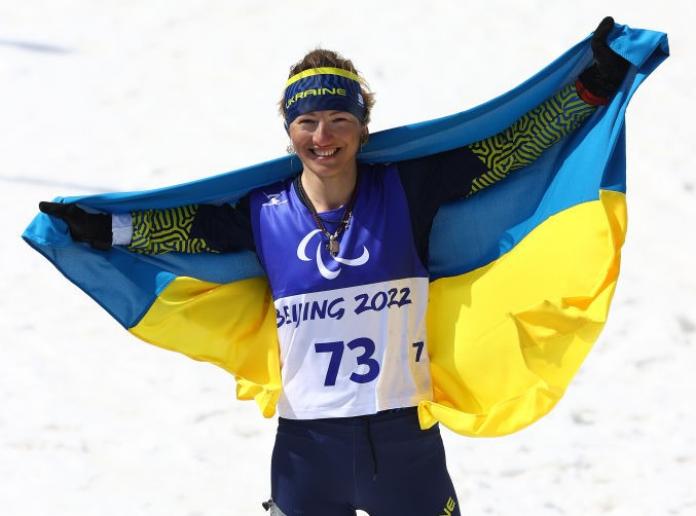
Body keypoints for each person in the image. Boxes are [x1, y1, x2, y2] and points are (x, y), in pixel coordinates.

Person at [39, 17, 629, 516]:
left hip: (405, 442)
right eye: (307, 122)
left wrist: (589, 91)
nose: (323, 136)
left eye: (339, 120)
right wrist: (103, 229)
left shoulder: (407, 188)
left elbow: (506, 152)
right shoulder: (263, 213)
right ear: (289, 131)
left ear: (363, 128)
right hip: (307, 449)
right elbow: (183, 231)